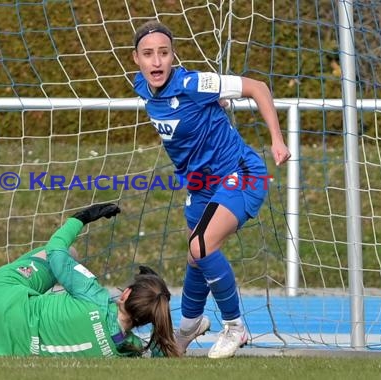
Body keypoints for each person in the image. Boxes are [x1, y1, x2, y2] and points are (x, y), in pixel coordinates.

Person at [132, 21, 291, 359]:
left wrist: (277, 141)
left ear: (174, 56)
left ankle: (235, 327)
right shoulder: (142, 87)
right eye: (148, 54)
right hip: (201, 186)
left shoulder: (192, 82)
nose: (156, 61)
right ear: (136, 60)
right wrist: (216, 104)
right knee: (195, 257)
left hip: (241, 173)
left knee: (201, 246)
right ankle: (189, 328)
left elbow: (258, 87)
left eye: (163, 53)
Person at [0, 203, 181, 358]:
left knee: (68, 253)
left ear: (126, 295)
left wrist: (81, 218)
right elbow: (159, 351)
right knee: (58, 304)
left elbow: (56, 251)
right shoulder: (127, 349)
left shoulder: (96, 296)